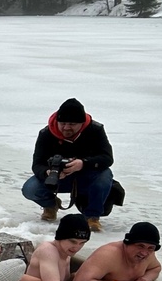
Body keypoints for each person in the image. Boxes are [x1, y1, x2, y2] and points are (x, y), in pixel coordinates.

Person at [22, 97, 114, 232]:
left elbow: (107, 158)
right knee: (30, 189)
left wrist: (83, 163)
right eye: (63, 123)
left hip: (87, 175)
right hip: (59, 177)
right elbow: (37, 164)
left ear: (82, 123)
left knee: (105, 176)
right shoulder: (46, 134)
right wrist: (48, 172)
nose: (66, 127)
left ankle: (92, 217)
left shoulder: (95, 130)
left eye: (72, 124)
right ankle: (51, 205)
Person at [25, 214, 112, 281]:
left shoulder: (66, 252)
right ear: (61, 237)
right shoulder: (47, 251)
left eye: (82, 243)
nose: (77, 247)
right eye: (73, 242)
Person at [72, 221, 162, 281]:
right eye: (140, 246)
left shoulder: (149, 254)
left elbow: (156, 268)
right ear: (127, 243)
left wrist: (147, 279)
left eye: (151, 248)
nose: (144, 253)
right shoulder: (108, 255)